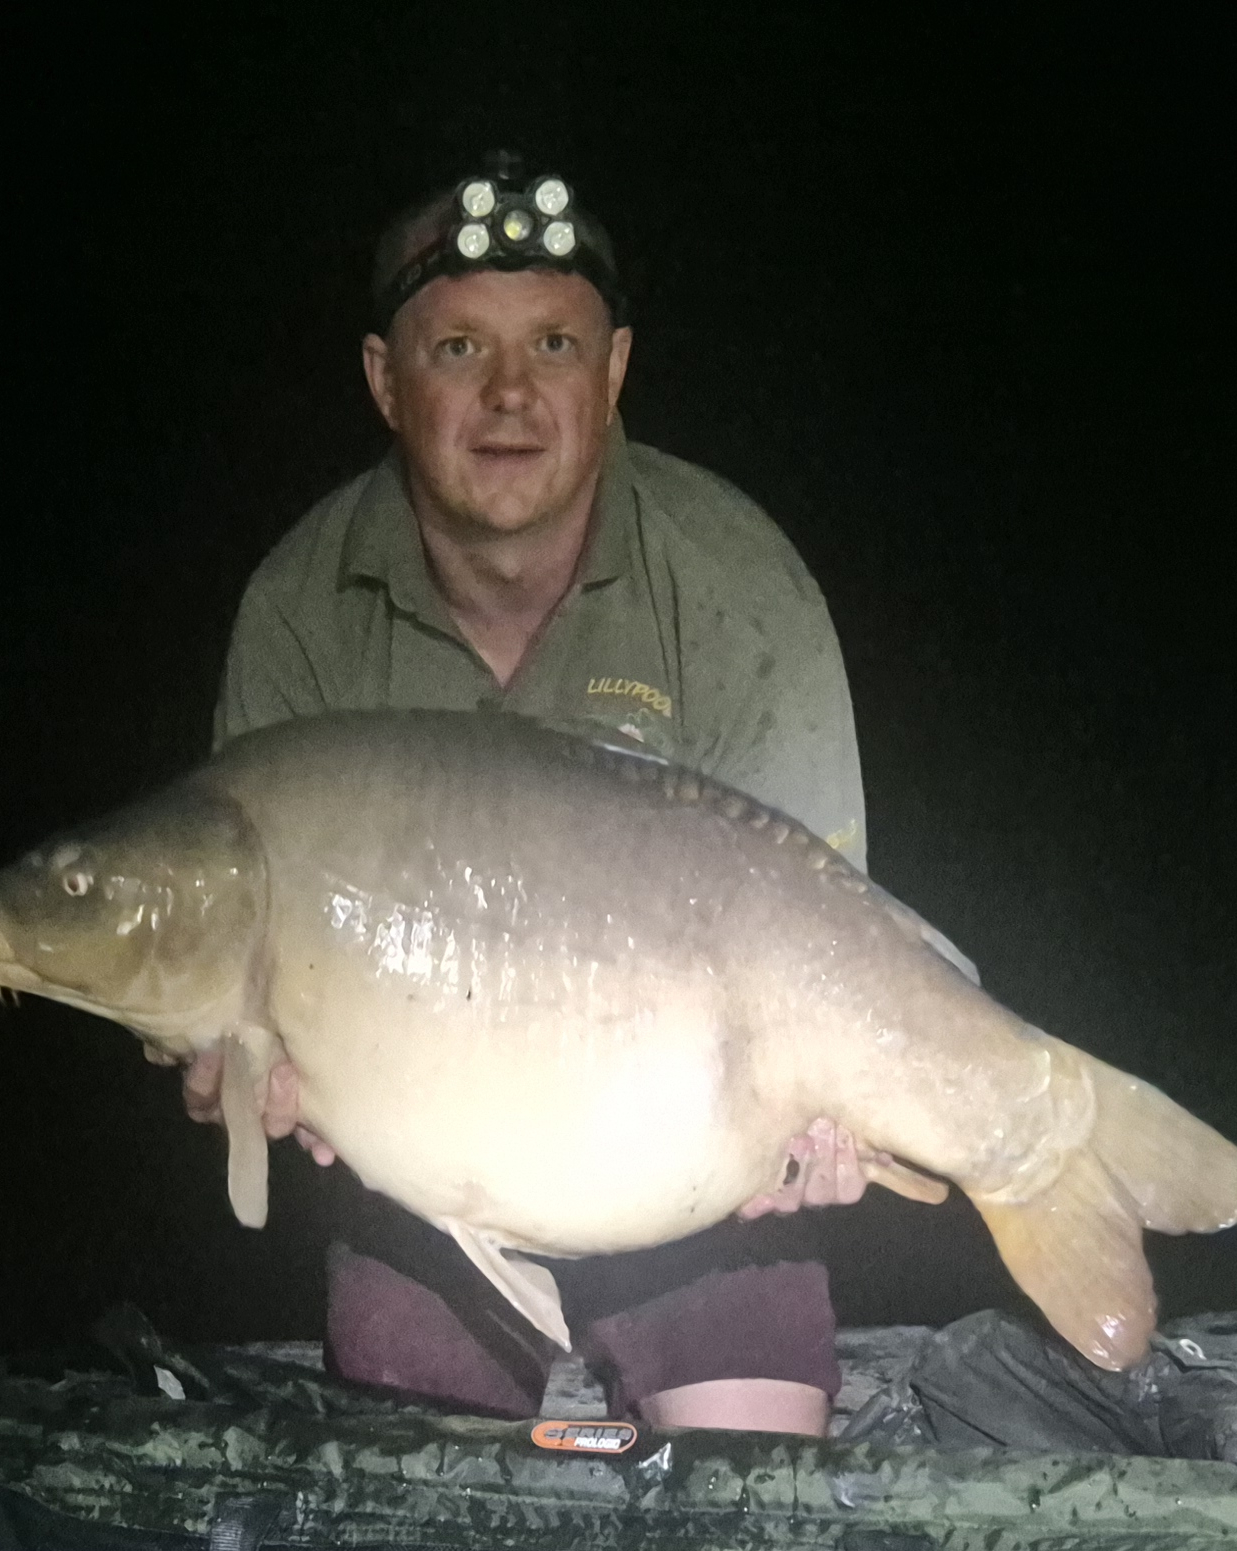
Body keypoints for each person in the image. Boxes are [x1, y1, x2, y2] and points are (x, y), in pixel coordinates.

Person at [191, 155, 879, 1436]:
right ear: (384, 381)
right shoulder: (300, 607)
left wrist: (825, 1117)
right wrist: (246, 1064)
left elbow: (830, 937)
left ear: (612, 374)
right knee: (420, 1502)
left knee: (749, 1484)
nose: (510, 393)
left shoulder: (732, 582)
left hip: (697, 1170)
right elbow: (245, 983)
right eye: (458, 348)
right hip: (426, 1184)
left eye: (554, 344)